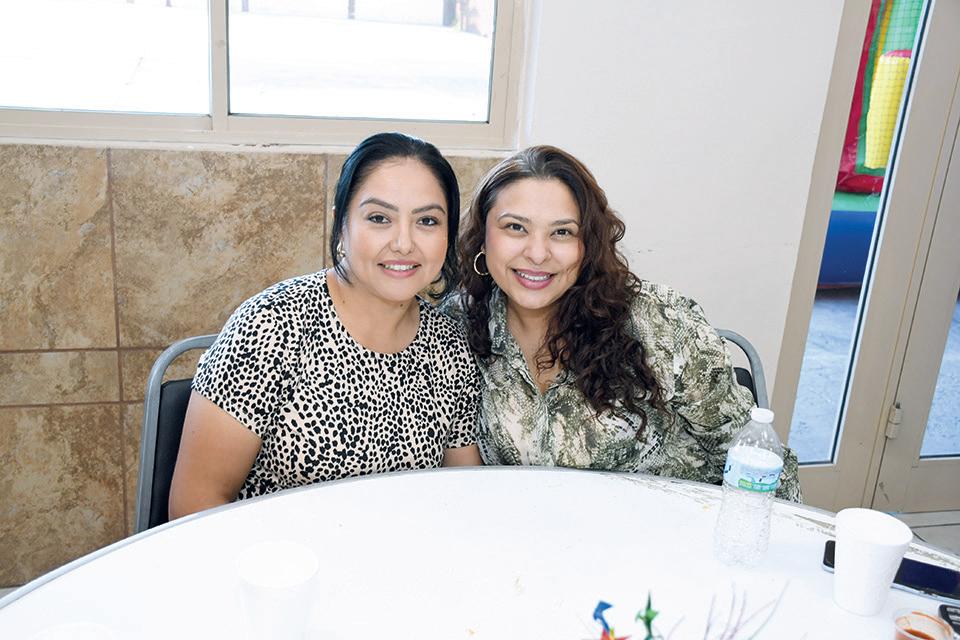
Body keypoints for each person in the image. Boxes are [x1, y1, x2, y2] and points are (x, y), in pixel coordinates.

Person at [447, 145, 802, 501]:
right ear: (483, 236)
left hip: (678, 527)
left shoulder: (659, 324)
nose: (538, 253)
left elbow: (761, 463)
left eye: (562, 232)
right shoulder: (455, 327)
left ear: (588, 245)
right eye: (515, 227)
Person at [169, 132, 483, 520]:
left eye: (427, 221)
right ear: (341, 223)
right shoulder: (270, 325)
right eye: (379, 218)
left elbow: (462, 496)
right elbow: (194, 506)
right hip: (273, 555)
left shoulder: (450, 347)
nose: (404, 243)